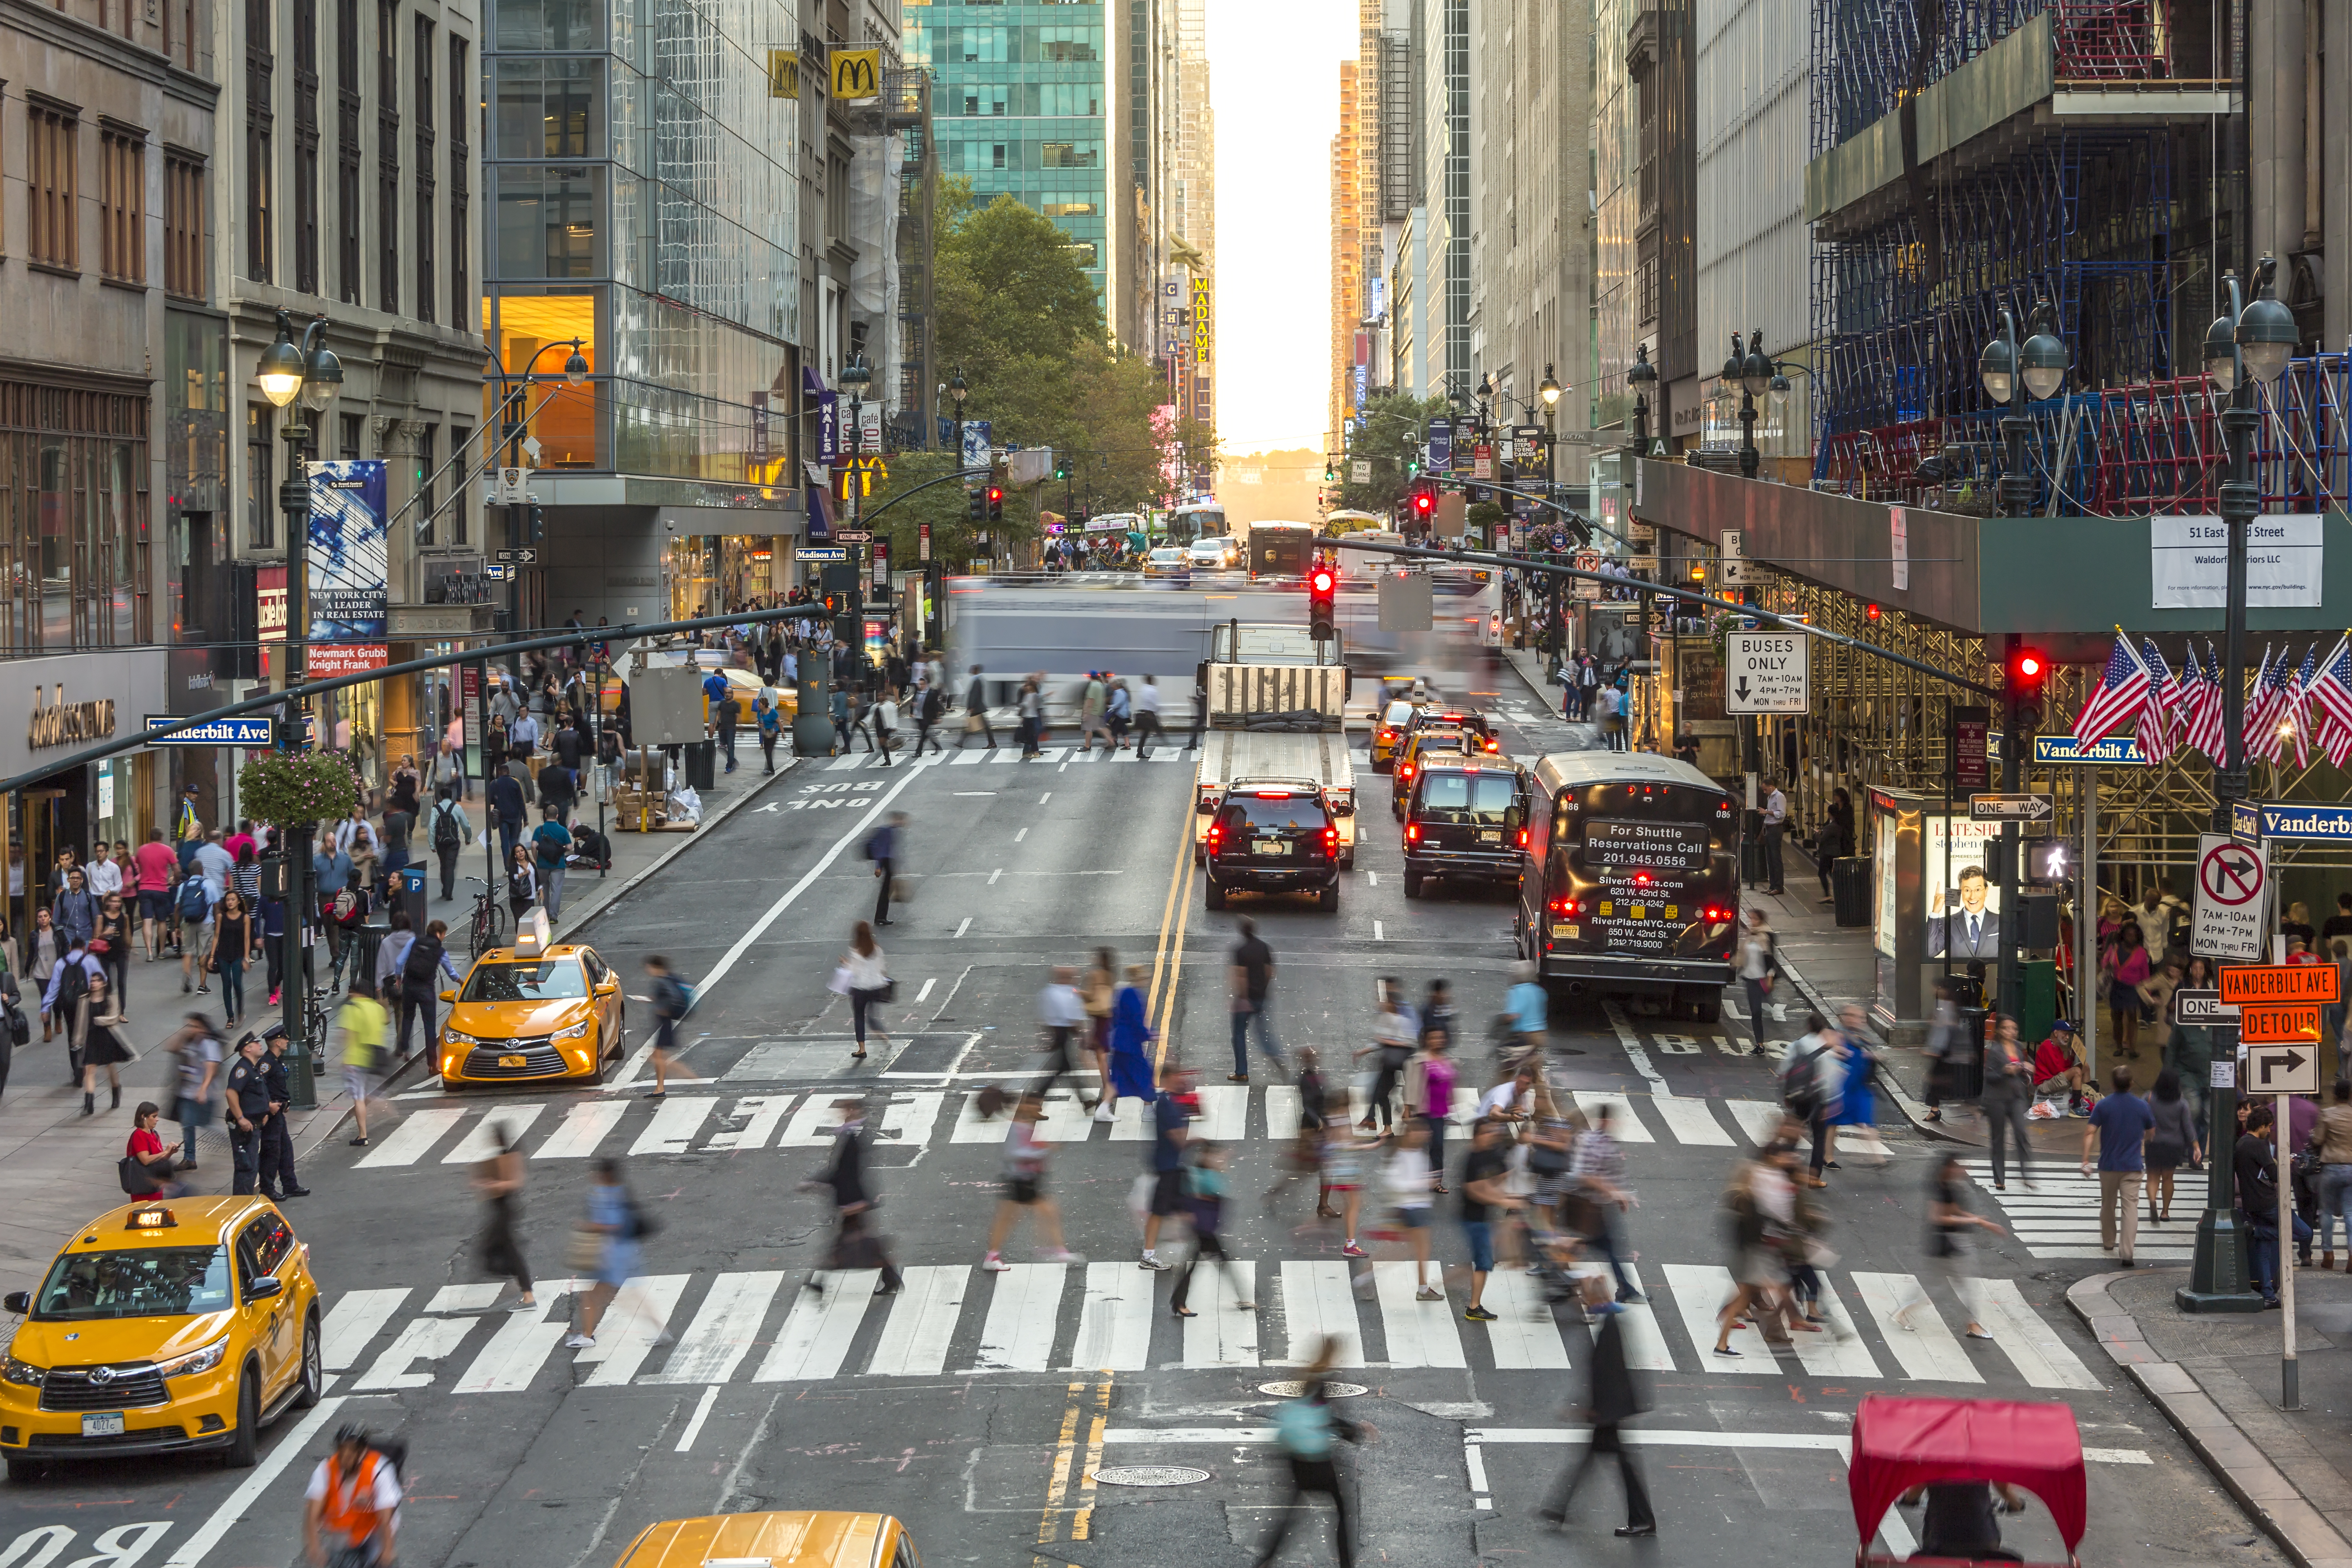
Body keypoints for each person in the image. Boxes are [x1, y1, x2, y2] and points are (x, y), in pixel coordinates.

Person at [1536, 1303, 1656, 1538]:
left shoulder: (1609, 1326)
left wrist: (1595, 1410)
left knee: (1618, 1465)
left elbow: (1610, 1373)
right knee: (1596, 1461)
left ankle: (1642, 1519)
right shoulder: (1608, 1322)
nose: (1582, 1297)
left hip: (1608, 1411)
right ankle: (1559, 1509)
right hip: (1608, 1411)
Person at [1250, 1340, 1369, 1568]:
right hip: (1318, 1461)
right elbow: (1325, 1418)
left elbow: (1307, 1413)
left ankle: (1267, 1559)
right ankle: (1346, 1564)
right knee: (1343, 1514)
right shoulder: (1322, 1381)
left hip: (1297, 1458)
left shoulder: (1309, 1375)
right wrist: (1355, 1431)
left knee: (1292, 1513)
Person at [1894, 1153, 2007, 1337]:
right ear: (1947, 1169)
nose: (1962, 1170)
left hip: (1945, 1244)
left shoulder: (1947, 1187)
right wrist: (1975, 1222)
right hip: (1951, 1243)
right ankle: (1972, 1324)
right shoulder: (1941, 1189)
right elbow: (1938, 1217)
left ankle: (1903, 1313)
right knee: (1963, 1286)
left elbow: (1954, 1210)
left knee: (1937, 1286)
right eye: (1957, 1166)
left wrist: (1981, 1221)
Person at [981, 1091, 1081, 1270]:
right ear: (1026, 1106)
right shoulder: (1017, 1127)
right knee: (1041, 1213)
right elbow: (1013, 1154)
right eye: (1036, 1106)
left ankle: (995, 1256)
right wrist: (1042, 1152)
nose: (1039, 1110)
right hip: (1020, 1179)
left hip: (1024, 1179)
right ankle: (1056, 1251)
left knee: (1013, 1217)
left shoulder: (1024, 1125)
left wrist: (1040, 1146)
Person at [567, 1158, 647, 1348]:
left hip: (612, 1254)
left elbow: (614, 1225)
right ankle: (660, 1331)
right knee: (627, 1296)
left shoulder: (606, 1196)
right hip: (623, 1252)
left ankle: (587, 1336)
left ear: (605, 1175)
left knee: (593, 1297)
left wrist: (589, 1226)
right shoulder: (619, 1192)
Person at [2082, 1065, 2155, 1266]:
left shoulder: (2104, 1105)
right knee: (2130, 1207)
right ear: (2131, 1083)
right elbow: (2151, 1132)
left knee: (2108, 1204)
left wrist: (2086, 1159)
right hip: (2132, 1165)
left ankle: (2108, 1242)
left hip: (2108, 1164)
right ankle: (2127, 1252)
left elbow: (2090, 1132)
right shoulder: (2142, 1106)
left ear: (2113, 1084)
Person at [303, 1424, 403, 1568]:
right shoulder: (325, 1471)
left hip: (374, 1531)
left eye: (351, 1451)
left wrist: (387, 1551)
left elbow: (386, 1519)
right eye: (342, 1451)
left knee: (379, 1562)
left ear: (362, 1452)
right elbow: (312, 1515)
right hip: (343, 1533)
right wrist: (314, 1548)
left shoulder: (380, 1471)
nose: (346, 1457)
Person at [1169, 1142, 1250, 1317]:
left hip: (1206, 1226)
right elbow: (1200, 1194)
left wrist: (1222, 1162)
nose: (1219, 1160)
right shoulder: (1202, 1176)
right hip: (1203, 1227)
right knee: (1221, 1263)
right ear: (1205, 1158)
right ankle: (1179, 1302)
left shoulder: (1206, 1173)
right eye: (1215, 1156)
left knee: (1213, 1263)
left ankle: (1179, 1302)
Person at [2239, 1102, 2306, 1306]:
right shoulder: (2259, 1145)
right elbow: (2275, 1175)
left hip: (2251, 1202)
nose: (2269, 1130)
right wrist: (2287, 1165)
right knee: (2304, 1233)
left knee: (2264, 1250)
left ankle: (2268, 1295)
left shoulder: (2242, 1143)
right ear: (2261, 1126)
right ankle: (2256, 1232)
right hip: (2268, 1202)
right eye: (2268, 1126)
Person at [1458, 1118, 1517, 1322]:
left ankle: (1474, 1304)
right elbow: (1474, 1191)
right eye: (1486, 1133)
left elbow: (1501, 1175)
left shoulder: (1490, 1154)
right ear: (1476, 1136)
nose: (1490, 1137)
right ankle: (1474, 1308)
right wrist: (1501, 1200)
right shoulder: (1472, 1160)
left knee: (1484, 1260)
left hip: (1484, 1218)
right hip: (1474, 1220)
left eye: (1491, 1133)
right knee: (1483, 1262)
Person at [474, 1120, 536, 1310]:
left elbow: (515, 1183)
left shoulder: (513, 1155)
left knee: (499, 1250)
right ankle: (525, 1292)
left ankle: (527, 1295)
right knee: (498, 1249)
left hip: (506, 1211)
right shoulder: (503, 1155)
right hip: (501, 1210)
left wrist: (490, 1185)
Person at [1139, 1065, 1195, 1270]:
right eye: (1178, 1077)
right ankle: (1148, 1255)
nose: (1182, 1080)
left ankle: (1205, 1247)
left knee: (1186, 1208)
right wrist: (1200, 1140)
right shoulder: (1167, 1105)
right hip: (1168, 1167)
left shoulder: (1172, 1103)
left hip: (1174, 1167)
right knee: (1159, 1212)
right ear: (1169, 1079)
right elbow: (1179, 1139)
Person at [1980, 1016, 2037, 1192]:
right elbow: (1989, 1077)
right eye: (2007, 1028)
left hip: (2016, 1098)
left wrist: (2027, 1068)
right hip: (1997, 1100)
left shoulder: (2019, 1048)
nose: (2012, 1032)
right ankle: (1999, 1179)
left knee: (2021, 1133)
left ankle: (2027, 1175)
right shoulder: (1995, 1051)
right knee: (1998, 1139)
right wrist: (2005, 1071)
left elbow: (2021, 1072)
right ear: (2000, 1031)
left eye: (2014, 1029)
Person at [336, 976, 393, 1147]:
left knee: (359, 1098)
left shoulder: (351, 1008)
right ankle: (381, 1105)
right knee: (368, 1093)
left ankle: (363, 1136)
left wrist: (344, 1058)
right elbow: (386, 1021)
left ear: (355, 992)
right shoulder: (376, 1007)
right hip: (375, 1057)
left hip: (356, 1059)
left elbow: (347, 1034)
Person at [398, 919, 463, 1062]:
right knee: (429, 1025)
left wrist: (398, 978)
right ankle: (432, 1064)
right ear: (439, 934)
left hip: (409, 985)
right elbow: (451, 973)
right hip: (426, 989)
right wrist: (461, 982)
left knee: (408, 1017)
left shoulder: (414, 941)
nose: (444, 937)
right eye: (444, 934)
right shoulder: (440, 951)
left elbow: (399, 962)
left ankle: (405, 1050)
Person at [257, 1028, 309, 1198]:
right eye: (284, 1039)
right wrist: (268, 1105)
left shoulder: (276, 1061)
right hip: (271, 1115)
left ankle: (290, 1185)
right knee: (271, 1151)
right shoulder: (266, 1064)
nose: (287, 1041)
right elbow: (257, 1087)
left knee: (286, 1149)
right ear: (278, 1043)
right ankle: (267, 1188)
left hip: (279, 1113)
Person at [2147, 1068, 2201, 1229]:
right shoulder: (2181, 1103)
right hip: (2173, 1145)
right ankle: (2165, 1212)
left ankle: (2152, 1201)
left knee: (2153, 1177)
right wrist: (2196, 1146)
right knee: (2168, 1178)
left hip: (2153, 1142)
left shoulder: (2149, 1098)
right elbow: (2188, 1127)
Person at [167, 1013, 223, 1170]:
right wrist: (183, 1034)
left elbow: (211, 1068)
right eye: (189, 1026)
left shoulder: (209, 1044)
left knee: (204, 1124)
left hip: (202, 1092)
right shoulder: (189, 1042)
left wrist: (203, 1089)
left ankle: (230, 1139)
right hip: (187, 1091)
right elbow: (171, 1047)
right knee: (187, 1124)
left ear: (203, 1029)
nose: (190, 1029)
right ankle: (190, 1158)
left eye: (194, 1026)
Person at [1104, 963, 1156, 1120]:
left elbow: (1115, 1015)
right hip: (1130, 1045)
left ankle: (1103, 1109)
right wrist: (1149, 1035)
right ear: (1139, 978)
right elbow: (1136, 1020)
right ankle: (1148, 1112)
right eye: (1145, 977)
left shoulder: (1124, 991)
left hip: (1121, 1043)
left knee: (1118, 1080)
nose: (1147, 980)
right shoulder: (1133, 994)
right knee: (1145, 1075)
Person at [78, 972, 133, 1116]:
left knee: (110, 1067)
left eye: (97, 981)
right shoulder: (85, 999)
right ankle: (89, 1104)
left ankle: (116, 1091)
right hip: (91, 1037)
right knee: (89, 1069)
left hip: (107, 1036)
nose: (94, 983)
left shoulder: (111, 998)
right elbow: (81, 1021)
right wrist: (78, 1039)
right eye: (92, 981)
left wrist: (100, 1020)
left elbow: (114, 1017)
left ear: (103, 983)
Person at [223, 1032, 271, 1196]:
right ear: (248, 1048)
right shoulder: (242, 1069)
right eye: (256, 1043)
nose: (260, 1045)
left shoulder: (253, 1068)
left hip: (254, 1126)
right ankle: (241, 1206)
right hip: (244, 1129)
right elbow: (231, 1093)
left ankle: (245, 1203)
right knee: (246, 1167)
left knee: (251, 1166)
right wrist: (241, 1118)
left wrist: (264, 1113)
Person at [835, 922, 891, 1063]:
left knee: (859, 1017)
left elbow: (854, 971)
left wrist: (845, 962)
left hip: (860, 989)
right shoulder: (877, 950)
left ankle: (862, 1050)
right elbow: (882, 969)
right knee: (872, 1014)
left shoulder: (856, 952)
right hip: (876, 987)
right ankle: (883, 1036)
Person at [203, 889, 258, 1028]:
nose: (230, 902)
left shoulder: (245, 918)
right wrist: (212, 956)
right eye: (228, 900)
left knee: (238, 984)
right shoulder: (221, 916)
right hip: (223, 955)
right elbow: (216, 937)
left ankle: (240, 1011)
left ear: (238, 901)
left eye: (233, 900)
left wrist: (246, 958)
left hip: (238, 955)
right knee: (226, 984)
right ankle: (230, 1017)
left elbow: (247, 939)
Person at [643, 955, 690, 1097]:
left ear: (655, 967)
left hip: (665, 1021)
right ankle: (660, 1089)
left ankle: (690, 1076)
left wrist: (663, 1009)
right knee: (657, 1055)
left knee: (657, 1056)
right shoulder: (669, 978)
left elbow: (674, 997)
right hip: (664, 1021)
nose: (648, 971)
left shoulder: (662, 980)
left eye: (649, 968)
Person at [2103, 922, 2151, 1057]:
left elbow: (2145, 973)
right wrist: (2107, 965)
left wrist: (2148, 993)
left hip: (2133, 988)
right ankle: (2119, 1047)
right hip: (2117, 986)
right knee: (2117, 1017)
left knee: (2132, 1016)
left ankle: (2132, 1049)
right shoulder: (2115, 948)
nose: (2131, 938)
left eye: (2134, 935)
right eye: (2129, 935)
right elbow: (2105, 962)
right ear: (2123, 935)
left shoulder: (2142, 952)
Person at [1735, 909, 1777, 1056]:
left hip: (1762, 978)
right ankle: (1760, 1044)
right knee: (1756, 1012)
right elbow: (1742, 954)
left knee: (1760, 1010)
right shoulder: (1750, 935)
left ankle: (1768, 1004)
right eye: (1750, 918)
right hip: (1750, 978)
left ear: (1761, 920)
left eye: (1754, 919)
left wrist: (1770, 976)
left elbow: (1771, 958)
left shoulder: (1767, 935)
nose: (1752, 921)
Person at [124, 1103, 187, 1198]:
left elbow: (159, 1159)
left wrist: (170, 1152)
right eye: (154, 1116)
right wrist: (166, 1152)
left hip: (156, 1185)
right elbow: (146, 1160)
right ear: (144, 1117)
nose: (157, 1119)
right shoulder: (139, 1135)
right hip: (143, 1185)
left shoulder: (154, 1134)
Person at [2033, 1020, 2091, 1111]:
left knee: (2085, 1066)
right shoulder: (2047, 1046)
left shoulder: (2057, 1047)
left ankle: (2087, 1097)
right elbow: (2058, 1071)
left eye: (2068, 1035)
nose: (2067, 1038)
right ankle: (2077, 1106)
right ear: (2056, 1033)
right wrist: (2072, 1070)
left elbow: (2064, 1067)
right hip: (2045, 1084)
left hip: (2054, 1078)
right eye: (2065, 1034)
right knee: (2076, 1071)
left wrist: (2072, 1056)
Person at [428, 786, 474, 902]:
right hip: (453, 842)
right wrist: (468, 838)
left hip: (440, 842)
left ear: (441, 797)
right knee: (450, 866)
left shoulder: (435, 809)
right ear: (452, 796)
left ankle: (445, 889)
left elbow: (432, 827)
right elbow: (466, 825)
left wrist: (432, 844)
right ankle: (449, 892)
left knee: (443, 864)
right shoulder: (457, 808)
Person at [531, 808, 573, 924]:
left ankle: (544, 914)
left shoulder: (539, 830)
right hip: (558, 865)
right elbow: (570, 847)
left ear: (545, 815)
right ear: (557, 816)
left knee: (543, 888)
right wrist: (561, 850)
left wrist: (536, 859)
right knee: (557, 889)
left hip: (542, 865)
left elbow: (534, 846)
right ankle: (553, 917)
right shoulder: (562, 830)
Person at [865, 811, 904, 927]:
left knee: (887, 890)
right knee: (885, 891)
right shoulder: (886, 831)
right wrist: (878, 867)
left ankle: (881, 917)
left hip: (888, 862)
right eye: (900, 820)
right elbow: (881, 851)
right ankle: (880, 917)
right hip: (885, 862)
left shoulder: (892, 831)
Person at [487, 764, 527, 873]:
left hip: (502, 817)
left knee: (504, 842)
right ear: (508, 771)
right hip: (516, 816)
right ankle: (516, 864)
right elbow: (521, 802)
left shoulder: (494, 784)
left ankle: (508, 867)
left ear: (499, 772)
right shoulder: (515, 782)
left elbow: (489, 800)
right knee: (514, 841)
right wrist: (526, 818)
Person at [1759, 775, 1788, 894]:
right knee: (1770, 858)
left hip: (1776, 829)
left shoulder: (1779, 797)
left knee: (1776, 858)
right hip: (1769, 828)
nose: (1764, 792)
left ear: (1771, 787)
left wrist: (1767, 812)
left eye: (1765, 789)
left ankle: (1779, 886)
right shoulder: (1770, 797)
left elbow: (1781, 814)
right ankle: (1773, 885)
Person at [960, 665, 1000, 749]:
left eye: (973, 670)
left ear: (976, 671)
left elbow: (975, 695)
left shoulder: (977, 680)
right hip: (978, 707)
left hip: (976, 708)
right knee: (980, 726)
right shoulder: (978, 680)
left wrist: (971, 706)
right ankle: (992, 743)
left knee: (975, 725)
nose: (971, 671)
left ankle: (960, 742)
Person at [1132, 675, 1165, 759]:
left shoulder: (1142, 689)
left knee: (1144, 733)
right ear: (1152, 681)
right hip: (1149, 715)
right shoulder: (1153, 690)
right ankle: (1168, 745)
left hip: (1141, 714)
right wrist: (1158, 711)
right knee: (1157, 731)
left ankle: (1139, 752)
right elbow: (1155, 704)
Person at [753, 694, 782, 773]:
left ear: (764, 704)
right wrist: (759, 725)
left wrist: (783, 733)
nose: (758, 705)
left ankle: (771, 770)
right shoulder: (760, 713)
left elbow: (779, 723)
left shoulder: (772, 712)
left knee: (769, 751)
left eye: (759, 704)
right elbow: (760, 722)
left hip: (773, 733)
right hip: (765, 733)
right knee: (767, 751)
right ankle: (769, 769)